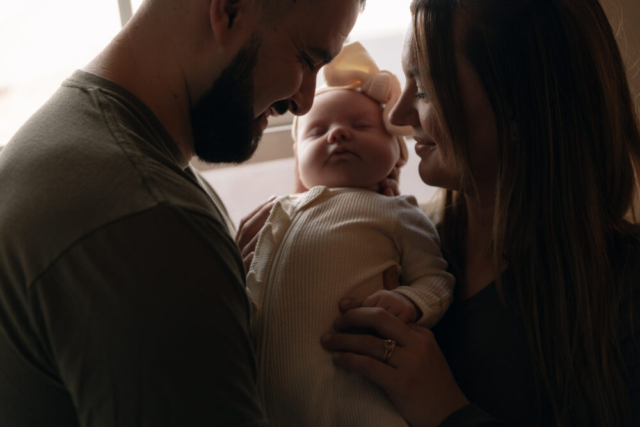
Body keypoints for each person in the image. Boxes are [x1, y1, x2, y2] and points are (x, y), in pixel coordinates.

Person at [0, 0, 365, 425]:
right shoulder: (148, 222)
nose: (305, 100)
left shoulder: (70, 138)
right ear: (227, 11)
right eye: (306, 59)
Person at [315, 0, 640, 426]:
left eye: (426, 89)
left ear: (520, 105)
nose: (397, 115)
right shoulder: (399, 243)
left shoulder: (627, 292)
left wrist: (447, 412)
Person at [246, 42, 455, 427]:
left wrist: (412, 300)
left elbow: (437, 278)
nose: (338, 134)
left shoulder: (397, 211)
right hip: (270, 406)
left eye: (361, 126)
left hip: (360, 401)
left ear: (396, 151)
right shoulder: (277, 213)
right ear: (297, 157)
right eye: (317, 132)